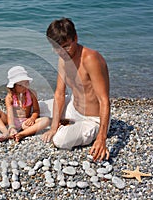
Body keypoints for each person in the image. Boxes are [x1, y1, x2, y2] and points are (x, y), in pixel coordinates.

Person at [41, 18, 111, 162]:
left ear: (76, 38)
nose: (62, 52)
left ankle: (67, 125)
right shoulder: (62, 58)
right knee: (37, 106)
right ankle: (61, 122)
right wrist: (53, 127)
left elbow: (104, 100)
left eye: (66, 46)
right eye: (57, 48)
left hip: (93, 119)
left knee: (59, 140)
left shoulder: (91, 59)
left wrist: (101, 139)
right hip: (74, 106)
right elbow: (60, 93)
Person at [0, 66, 50, 142]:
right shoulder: (9, 97)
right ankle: (6, 132)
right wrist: (11, 126)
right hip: (10, 121)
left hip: (25, 123)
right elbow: (10, 114)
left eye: (26, 83)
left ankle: (22, 134)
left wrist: (32, 118)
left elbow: (36, 110)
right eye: (20, 85)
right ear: (13, 86)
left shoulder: (31, 94)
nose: (24, 87)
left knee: (46, 120)